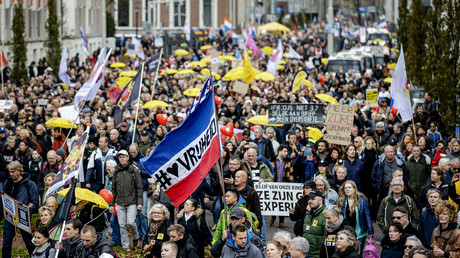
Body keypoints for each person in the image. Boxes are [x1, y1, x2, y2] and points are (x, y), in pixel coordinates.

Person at [2, 161, 40, 258]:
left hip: (23, 216)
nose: (11, 174)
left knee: (29, 242)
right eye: (10, 172)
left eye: (13, 172)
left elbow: (35, 202)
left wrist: (27, 211)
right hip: (9, 216)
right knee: (6, 243)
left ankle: (35, 256)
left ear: (19, 171)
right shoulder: (7, 182)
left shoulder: (29, 184)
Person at [109, 149, 143, 250]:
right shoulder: (116, 171)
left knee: (131, 222)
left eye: (124, 157)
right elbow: (113, 189)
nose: (122, 159)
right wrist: (111, 204)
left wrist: (139, 202)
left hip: (132, 202)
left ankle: (136, 237)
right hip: (120, 203)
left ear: (128, 158)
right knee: (122, 225)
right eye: (120, 157)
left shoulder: (134, 170)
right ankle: (125, 246)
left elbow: (139, 187)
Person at [337, 180, 374, 255]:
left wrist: (370, 230)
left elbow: (367, 216)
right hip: (346, 233)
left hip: (359, 233)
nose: (347, 189)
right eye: (345, 188)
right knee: (346, 253)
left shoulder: (362, 201)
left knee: (358, 254)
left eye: (349, 187)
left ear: (354, 189)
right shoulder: (342, 201)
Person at [302, 190, 326, 258]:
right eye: (309, 199)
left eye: (313, 199)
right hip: (306, 253)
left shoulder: (325, 215)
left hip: (318, 255)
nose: (310, 201)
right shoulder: (308, 214)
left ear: (320, 200)